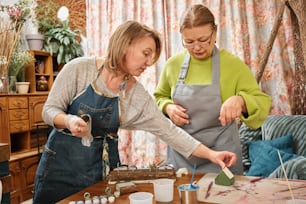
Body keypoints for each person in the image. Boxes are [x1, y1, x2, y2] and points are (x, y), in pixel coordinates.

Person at [33, 20, 237, 204]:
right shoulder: (79, 69)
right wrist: (68, 121)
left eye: (153, 57)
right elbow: (49, 110)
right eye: (146, 53)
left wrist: (212, 154)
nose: (149, 62)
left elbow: (170, 131)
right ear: (125, 44)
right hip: (58, 168)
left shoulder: (137, 97)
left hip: (99, 172)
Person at [154, 4, 271, 175]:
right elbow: (159, 97)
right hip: (182, 156)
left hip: (223, 156)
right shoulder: (173, 65)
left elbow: (262, 103)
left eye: (203, 40)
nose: (197, 47)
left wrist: (241, 101)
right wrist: (167, 107)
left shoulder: (233, 65)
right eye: (189, 42)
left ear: (215, 33)